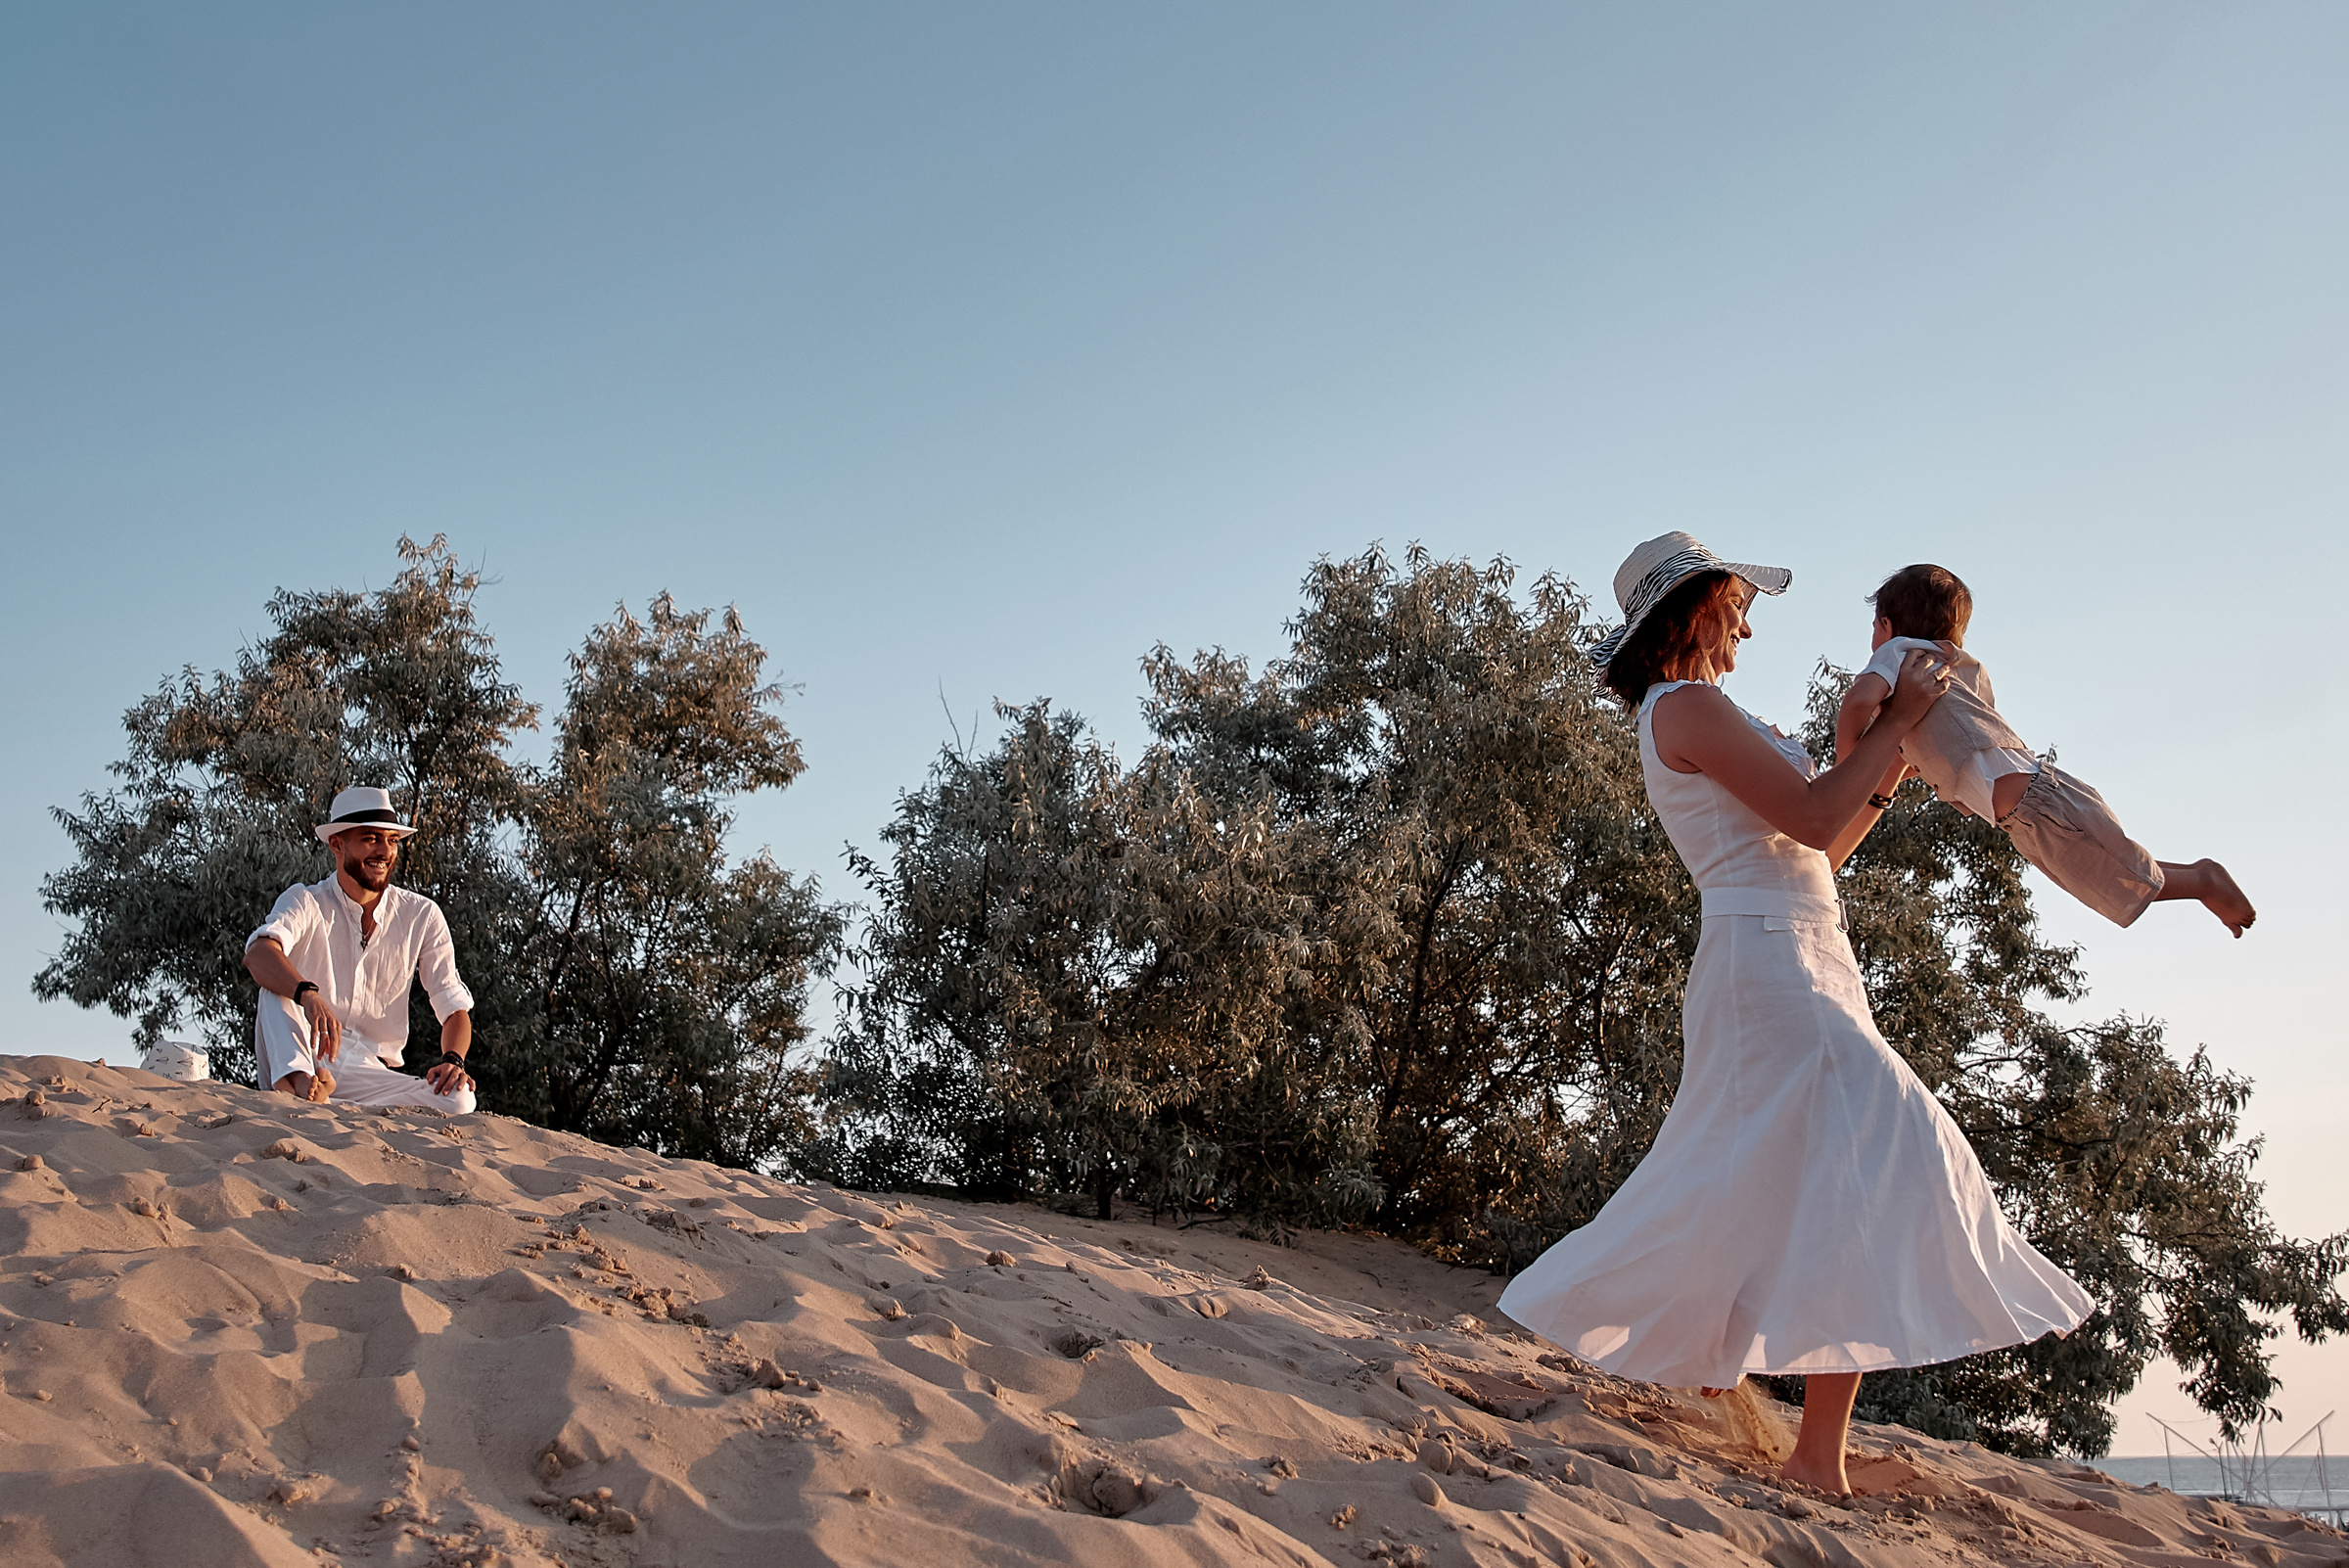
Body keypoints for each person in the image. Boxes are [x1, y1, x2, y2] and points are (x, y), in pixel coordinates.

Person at [1496, 532, 2093, 1496]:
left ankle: (1763, 1416)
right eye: (1736, 599)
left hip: (1807, 952)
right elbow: (1813, 818)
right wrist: (1897, 721)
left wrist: (1890, 761)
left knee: (1770, 1182)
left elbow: (1825, 844)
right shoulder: (1683, 706)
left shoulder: (1704, 709)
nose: (1747, 615)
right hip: (1770, 967)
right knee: (1879, 1154)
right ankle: (1805, 1448)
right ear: (1691, 609)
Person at [1838, 563, 2254, 936]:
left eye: (1875, 628)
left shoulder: (1899, 653)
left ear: (1888, 624)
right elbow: (1968, 734)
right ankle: (2201, 879)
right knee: (2110, 874)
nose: (1873, 640)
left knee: (2116, 878)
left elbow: (1857, 701)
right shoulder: (1959, 667)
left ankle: (2203, 881)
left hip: (2036, 806)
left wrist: (1849, 758)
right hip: (2031, 807)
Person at [242, 786, 479, 1113]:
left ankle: (332, 1105)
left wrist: (453, 1060)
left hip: (369, 1072)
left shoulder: (421, 915)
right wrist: (308, 995)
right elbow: (258, 954)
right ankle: (301, 1086)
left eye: (392, 840)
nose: (385, 851)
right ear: (337, 844)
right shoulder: (305, 900)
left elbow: (454, 1005)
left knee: (460, 1100)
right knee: (276, 989)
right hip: (301, 1051)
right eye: (370, 838)